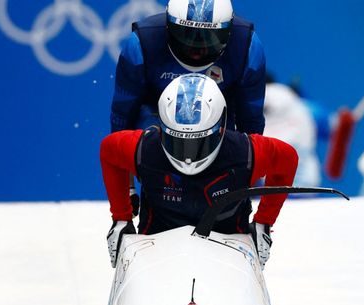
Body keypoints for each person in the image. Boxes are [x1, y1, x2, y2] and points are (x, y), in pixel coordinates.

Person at [101, 74, 297, 268]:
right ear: (163, 128)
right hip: (155, 258)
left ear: (219, 127)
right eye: (177, 141)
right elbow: (108, 150)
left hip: (229, 259)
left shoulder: (245, 152)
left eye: (198, 142)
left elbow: (288, 159)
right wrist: (121, 218)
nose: (188, 156)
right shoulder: (145, 148)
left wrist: (264, 222)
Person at [111, 0, 266, 134]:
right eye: (186, 34)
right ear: (168, 27)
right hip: (154, 114)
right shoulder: (141, 44)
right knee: (145, 138)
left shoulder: (247, 46)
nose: (196, 50)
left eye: (209, 38)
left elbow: (251, 120)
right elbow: (123, 113)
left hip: (220, 120)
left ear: (229, 32)